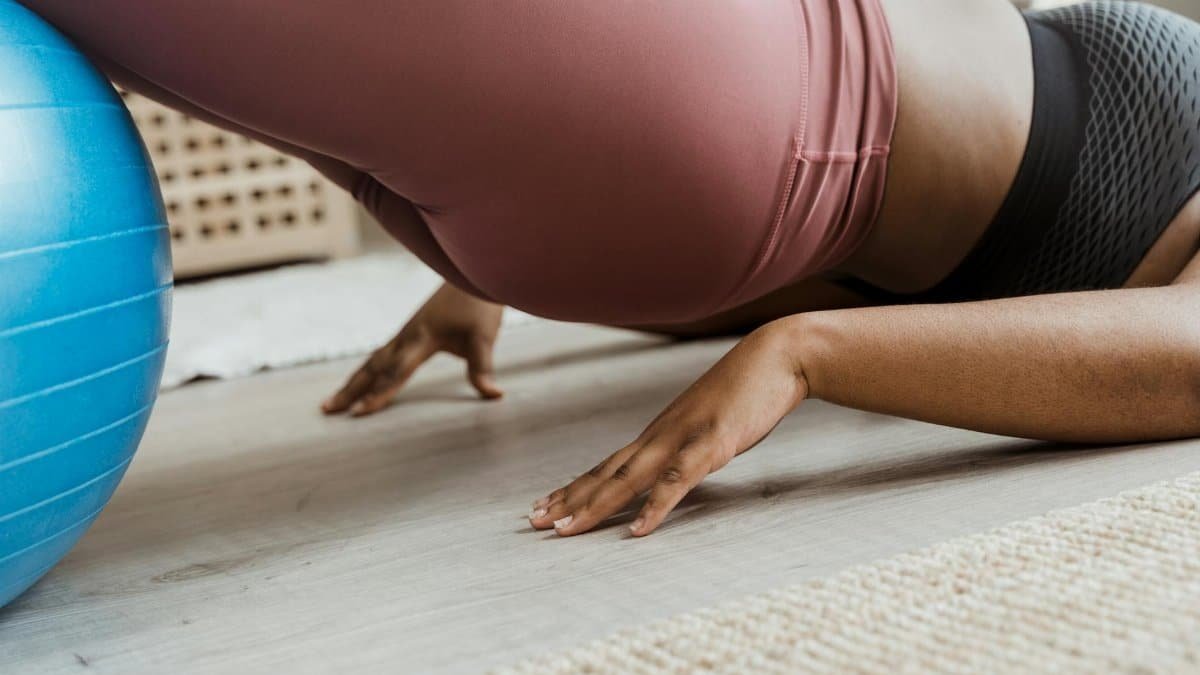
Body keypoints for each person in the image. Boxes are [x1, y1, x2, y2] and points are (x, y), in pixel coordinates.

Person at [21, 0, 1200, 538]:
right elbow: (895, 250)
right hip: (699, 154)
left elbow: (1187, 355)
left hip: (754, 103)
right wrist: (494, 276)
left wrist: (801, 357)